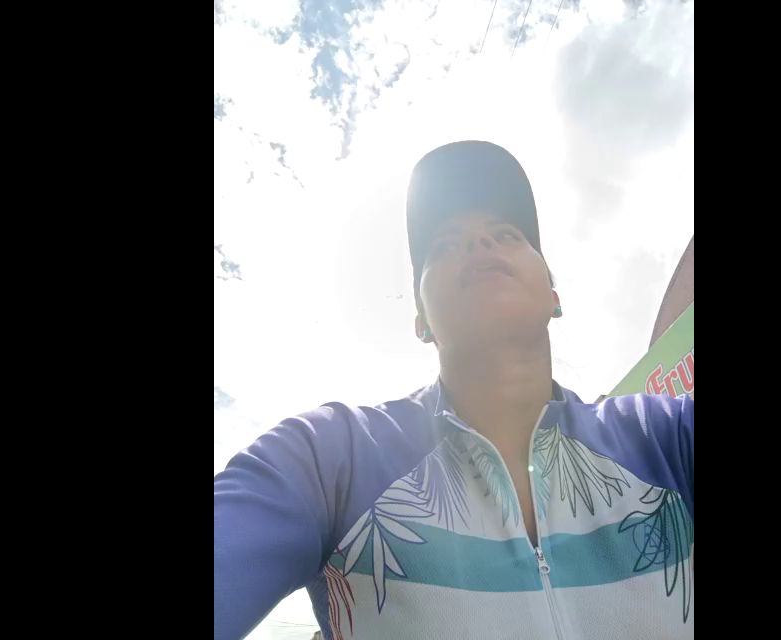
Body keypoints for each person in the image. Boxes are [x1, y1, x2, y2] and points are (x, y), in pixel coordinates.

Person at [214, 141, 694, 640]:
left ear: (554, 296)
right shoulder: (327, 458)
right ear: (421, 321)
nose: (478, 242)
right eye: (444, 245)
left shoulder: (665, 436)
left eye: (505, 233)